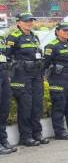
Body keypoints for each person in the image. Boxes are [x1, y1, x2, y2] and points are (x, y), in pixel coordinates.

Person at [5, 12, 49, 146]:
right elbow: (7, 58)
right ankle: (26, 136)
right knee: (26, 106)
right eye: (26, 21)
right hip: (21, 76)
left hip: (36, 75)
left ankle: (37, 134)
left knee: (37, 105)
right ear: (18, 22)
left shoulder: (34, 36)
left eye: (31, 21)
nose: (29, 23)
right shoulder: (13, 37)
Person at [0, 27, 16, 154]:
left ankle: (3, 140)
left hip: (3, 74)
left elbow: (7, 56)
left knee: (4, 110)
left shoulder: (1, 37)